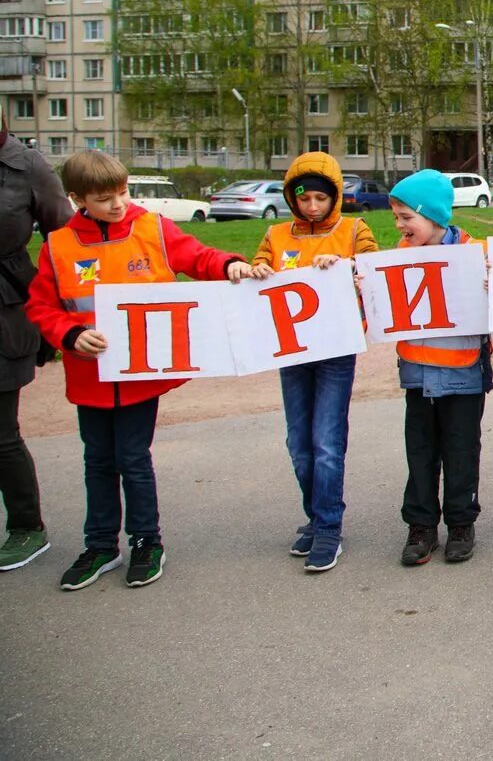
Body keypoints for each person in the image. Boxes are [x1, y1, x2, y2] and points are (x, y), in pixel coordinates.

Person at [26, 151, 249, 591]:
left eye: (123, 192)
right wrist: (69, 335)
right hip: (89, 377)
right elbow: (41, 306)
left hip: (139, 376)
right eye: (104, 198)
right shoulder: (58, 246)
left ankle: (147, 541)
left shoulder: (152, 228)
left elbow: (196, 256)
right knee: (97, 460)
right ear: (77, 199)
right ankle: (101, 545)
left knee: (133, 458)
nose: (118, 204)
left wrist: (229, 264)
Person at [248, 151, 379, 573]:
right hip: (293, 352)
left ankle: (329, 527)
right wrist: (252, 271)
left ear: (334, 197)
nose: (312, 207)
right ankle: (315, 514)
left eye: (321, 199)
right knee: (299, 444)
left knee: (326, 444)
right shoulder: (276, 234)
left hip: (336, 350)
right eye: (304, 199)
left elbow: (373, 264)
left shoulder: (353, 228)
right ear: (293, 198)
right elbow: (258, 266)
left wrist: (347, 263)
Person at [389, 170, 493, 568]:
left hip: (463, 373)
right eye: (396, 217)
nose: (400, 225)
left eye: (406, 217)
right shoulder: (396, 257)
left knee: (461, 449)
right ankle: (421, 525)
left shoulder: (475, 252)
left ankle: (461, 522)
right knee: (420, 450)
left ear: (433, 216)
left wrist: (492, 285)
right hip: (416, 373)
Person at [0, 117, 73, 572]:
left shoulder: (28, 166)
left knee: (1, 433)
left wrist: (63, 318)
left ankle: (27, 527)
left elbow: (64, 239)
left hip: (5, 310)